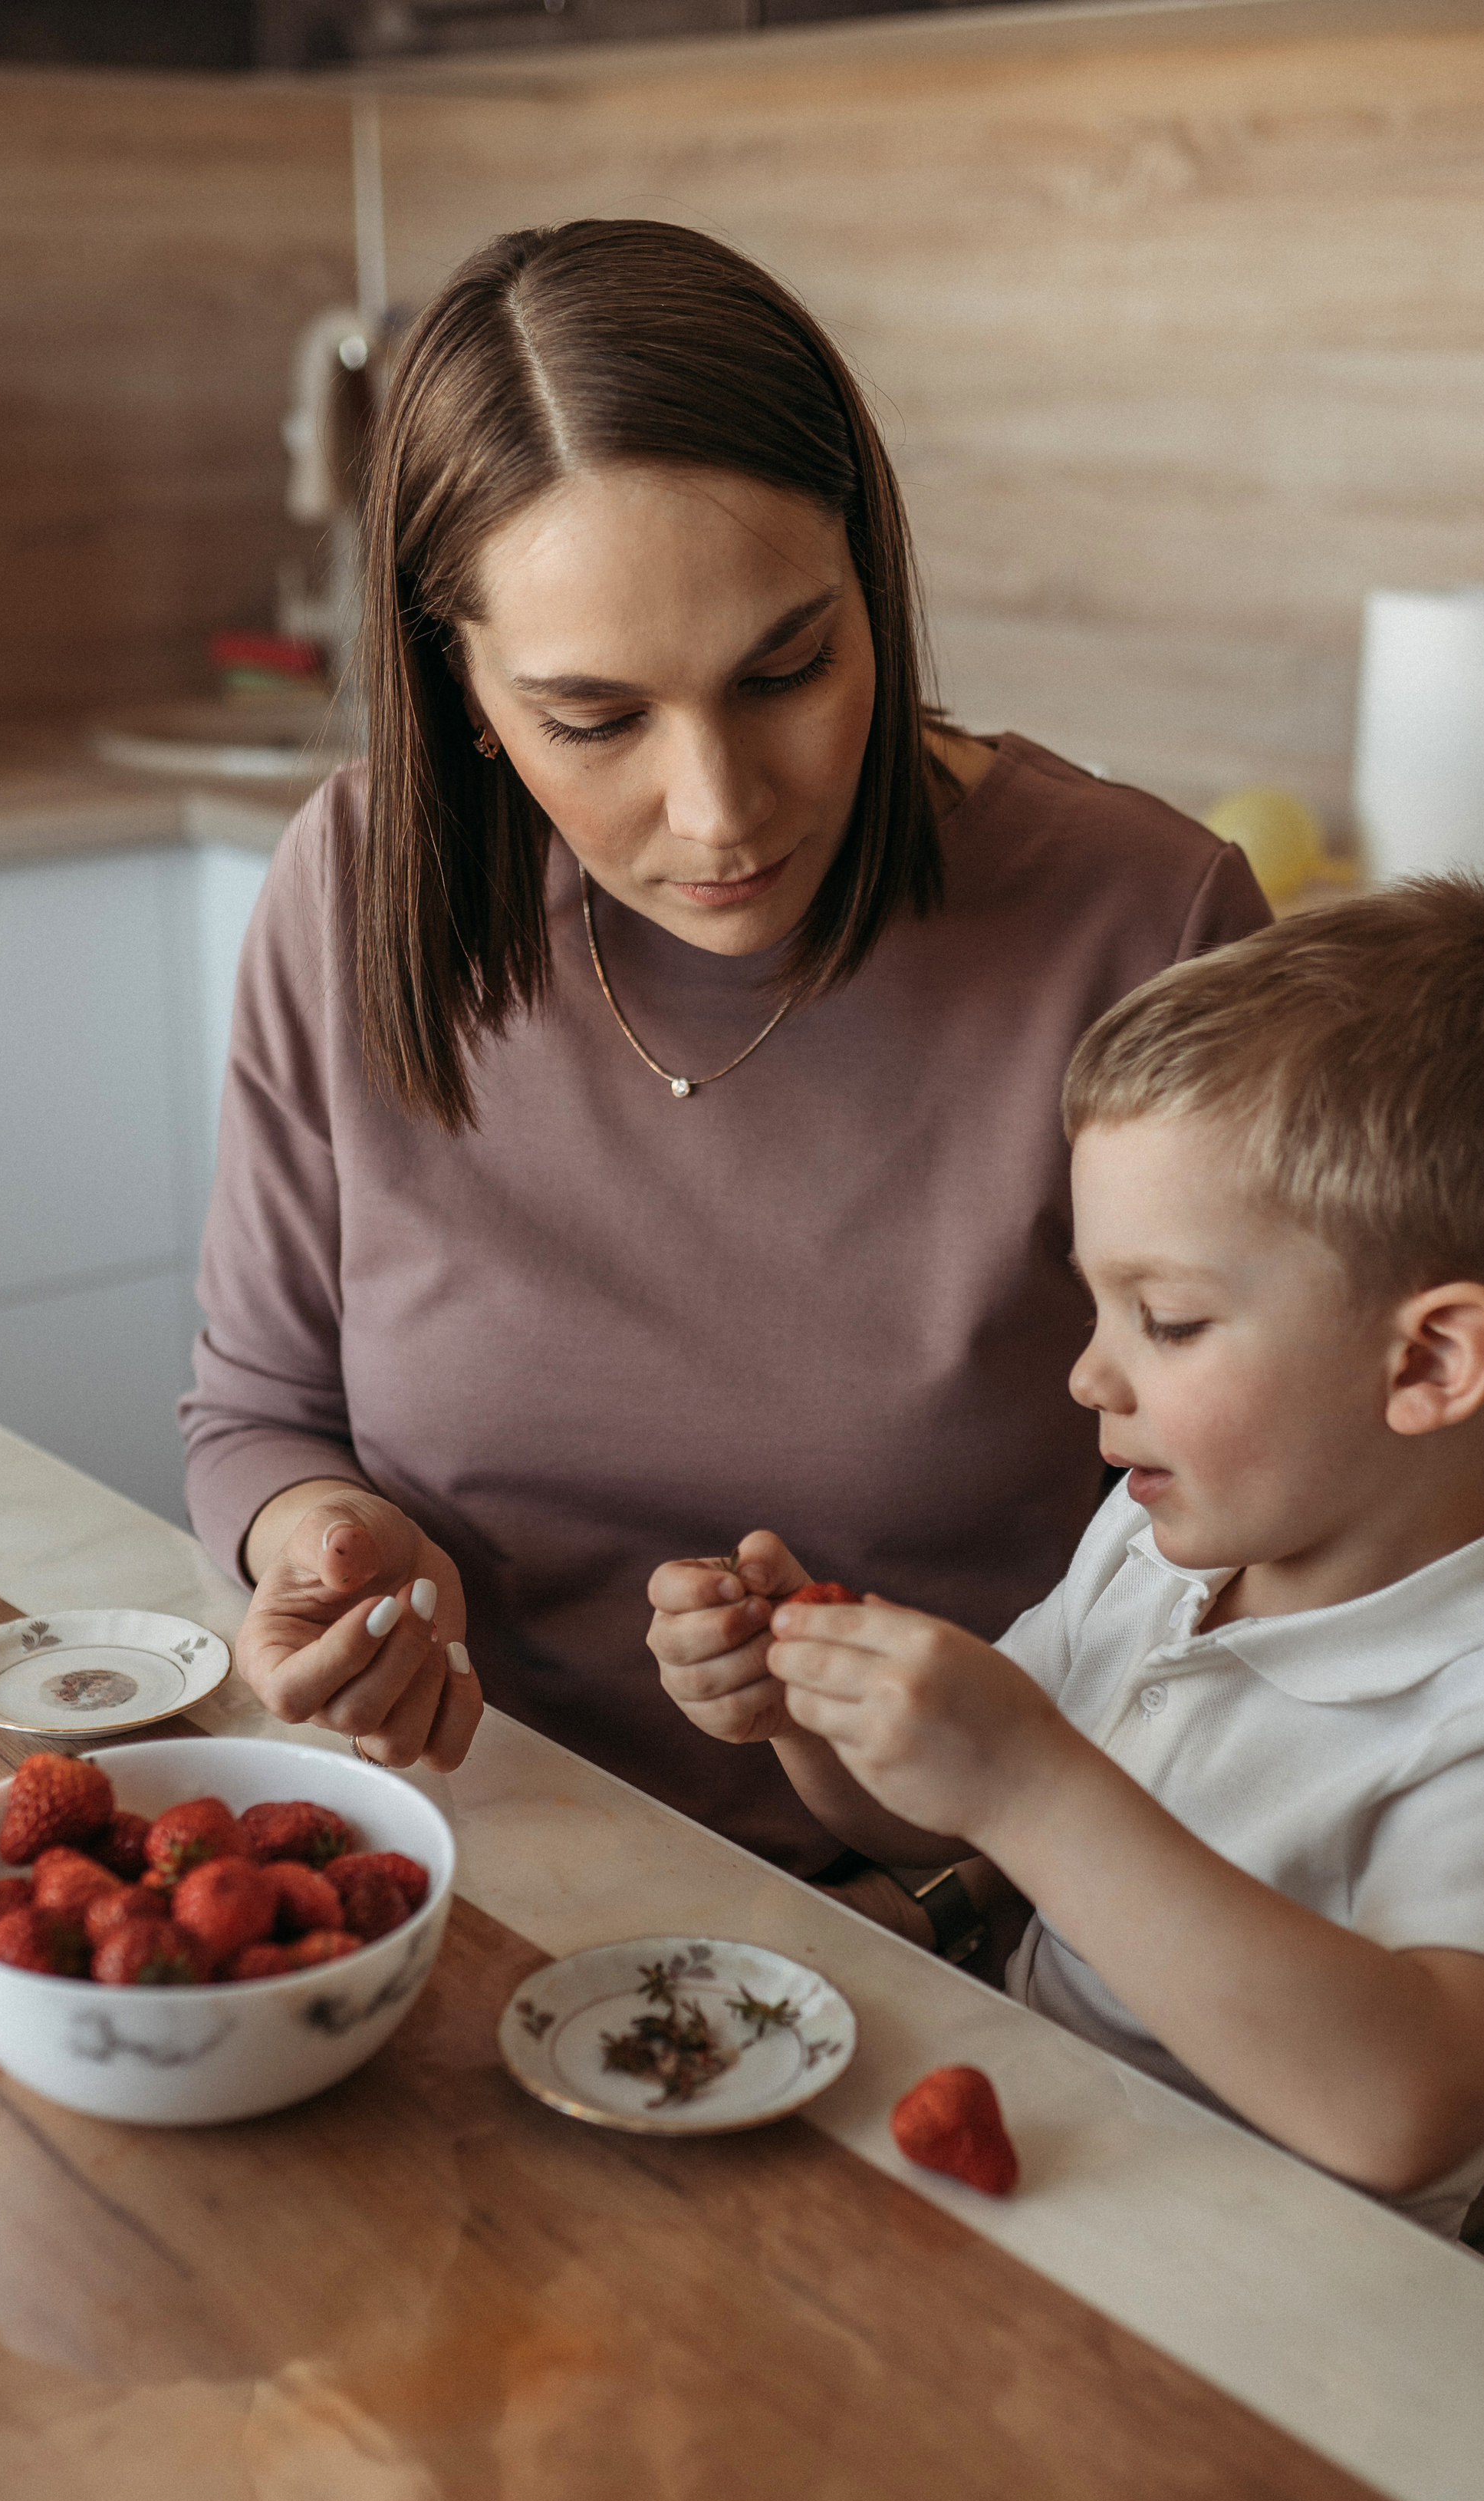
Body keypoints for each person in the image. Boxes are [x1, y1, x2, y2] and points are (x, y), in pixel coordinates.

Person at [180, 219, 1266, 1877]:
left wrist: (978, 1890)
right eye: (593, 719)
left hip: (964, 1929)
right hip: (465, 1861)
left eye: (788, 667)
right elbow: (256, 1407)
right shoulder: (352, 887)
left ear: (868, 586)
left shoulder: (1149, 927)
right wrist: (326, 1546)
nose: (720, 811)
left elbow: (1283, 1570)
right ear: (460, 686)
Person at [646, 879, 1484, 2233]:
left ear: (1426, 1360)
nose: (1088, 1377)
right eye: (1098, 1307)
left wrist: (1028, 1784)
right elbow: (934, 1812)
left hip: (1259, 2324)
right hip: (1034, 2178)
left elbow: (1410, 2109)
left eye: (1169, 1321)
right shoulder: (1155, 1539)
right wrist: (813, 1719)